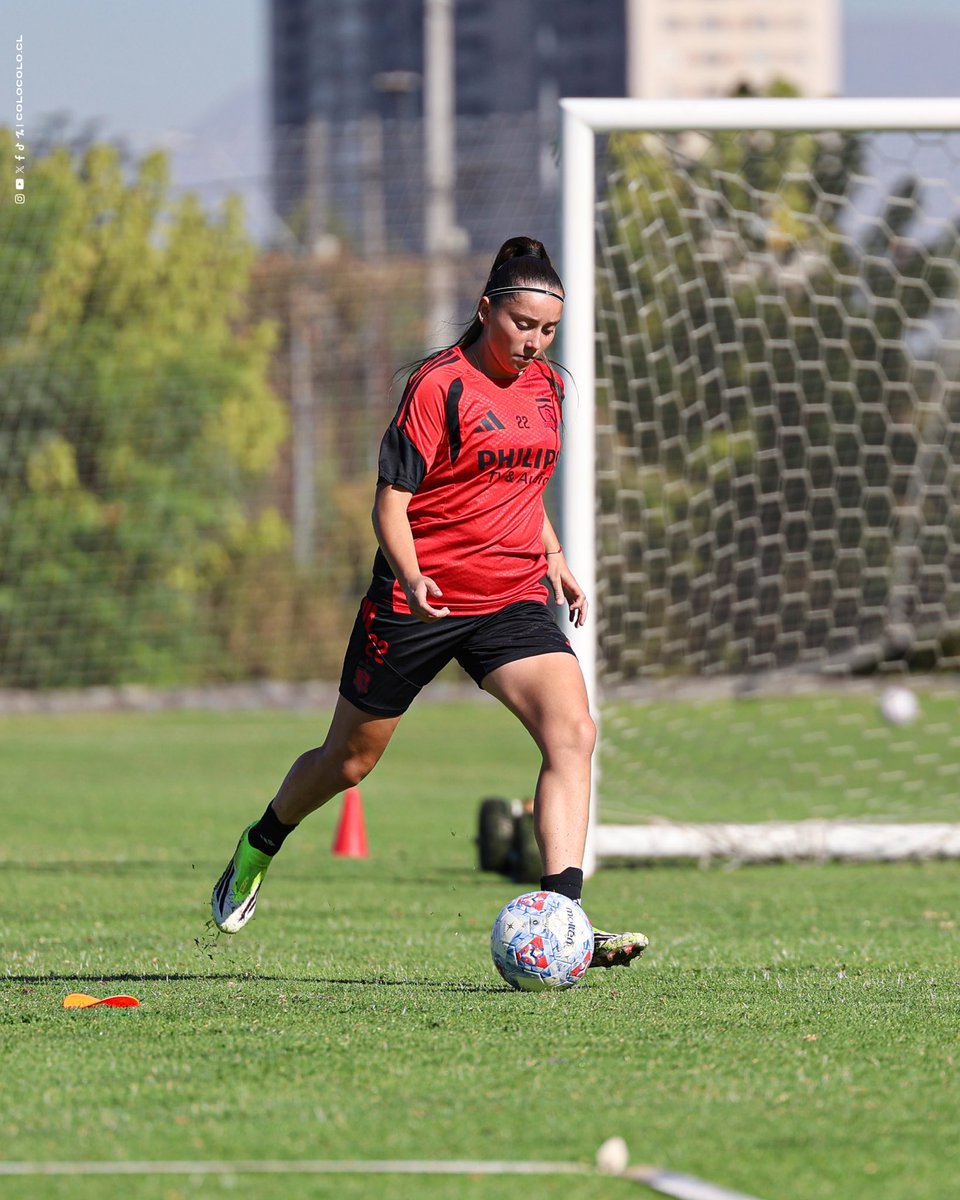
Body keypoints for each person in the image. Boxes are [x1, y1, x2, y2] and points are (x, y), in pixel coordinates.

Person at [211, 235, 648, 970]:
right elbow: (392, 503)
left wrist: (555, 557)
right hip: (421, 599)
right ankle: (261, 842)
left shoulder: (550, 387)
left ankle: (562, 921)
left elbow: (517, 484)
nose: (535, 343)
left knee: (573, 734)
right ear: (485, 311)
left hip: (510, 596)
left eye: (547, 331)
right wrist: (412, 577)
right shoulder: (439, 386)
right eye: (522, 326)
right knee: (349, 762)